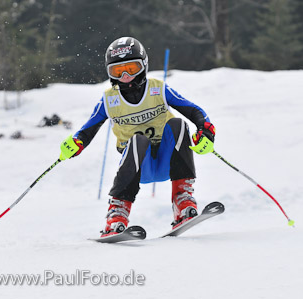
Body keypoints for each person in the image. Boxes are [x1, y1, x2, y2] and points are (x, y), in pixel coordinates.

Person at [59, 37, 216, 237]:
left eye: (131, 68)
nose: (125, 76)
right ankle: (117, 213)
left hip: (169, 161)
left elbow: (194, 110)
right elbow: (88, 130)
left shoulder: (158, 88)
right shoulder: (110, 100)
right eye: (117, 71)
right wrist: (76, 143)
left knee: (178, 124)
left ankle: (182, 200)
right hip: (138, 167)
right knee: (138, 139)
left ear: (143, 66)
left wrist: (206, 130)